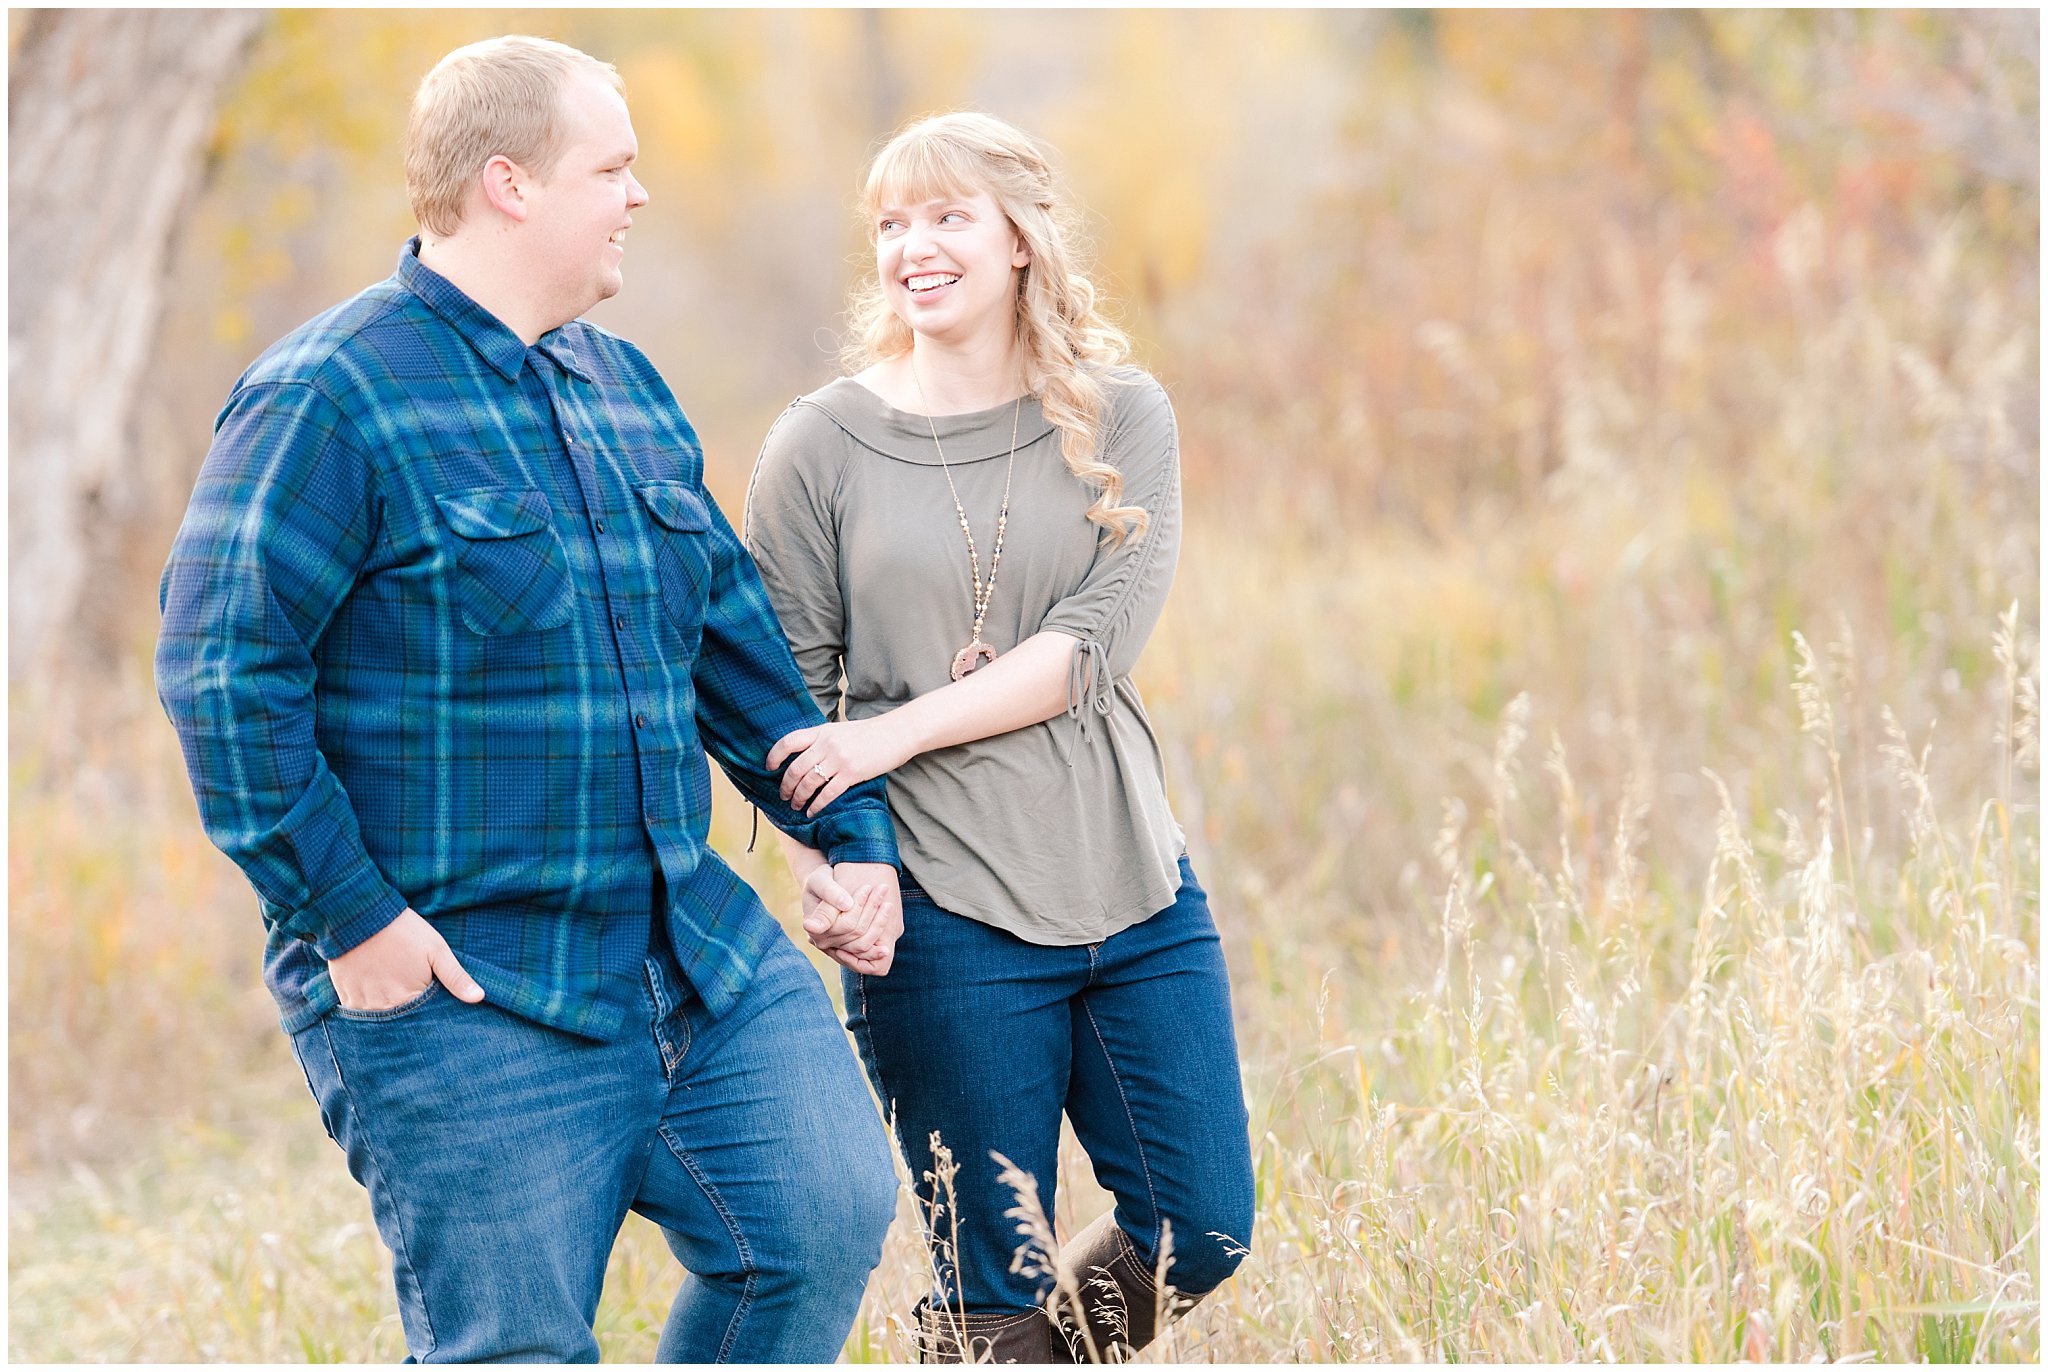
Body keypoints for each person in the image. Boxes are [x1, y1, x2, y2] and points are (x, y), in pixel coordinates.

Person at [154, 36, 903, 1364]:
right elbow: (222, 678)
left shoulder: (624, 390)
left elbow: (735, 649)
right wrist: (355, 922)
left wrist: (853, 842)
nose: (638, 195)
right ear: (508, 184)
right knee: (516, 1352)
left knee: (820, 1217)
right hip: (461, 991)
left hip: (690, 959)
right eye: (612, 167)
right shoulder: (329, 398)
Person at [743, 111, 1255, 1363]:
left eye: (946, 216)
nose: (913, 247)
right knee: (994, 1279)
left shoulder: (1121, 415)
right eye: (891, 224)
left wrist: (887, 734)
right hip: (942, 912)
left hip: (1131, 883)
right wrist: (828, 875)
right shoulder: (820, 444)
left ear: (1021, 239)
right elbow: (779, 698)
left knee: (1201, 1226)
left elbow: (1090, 646)